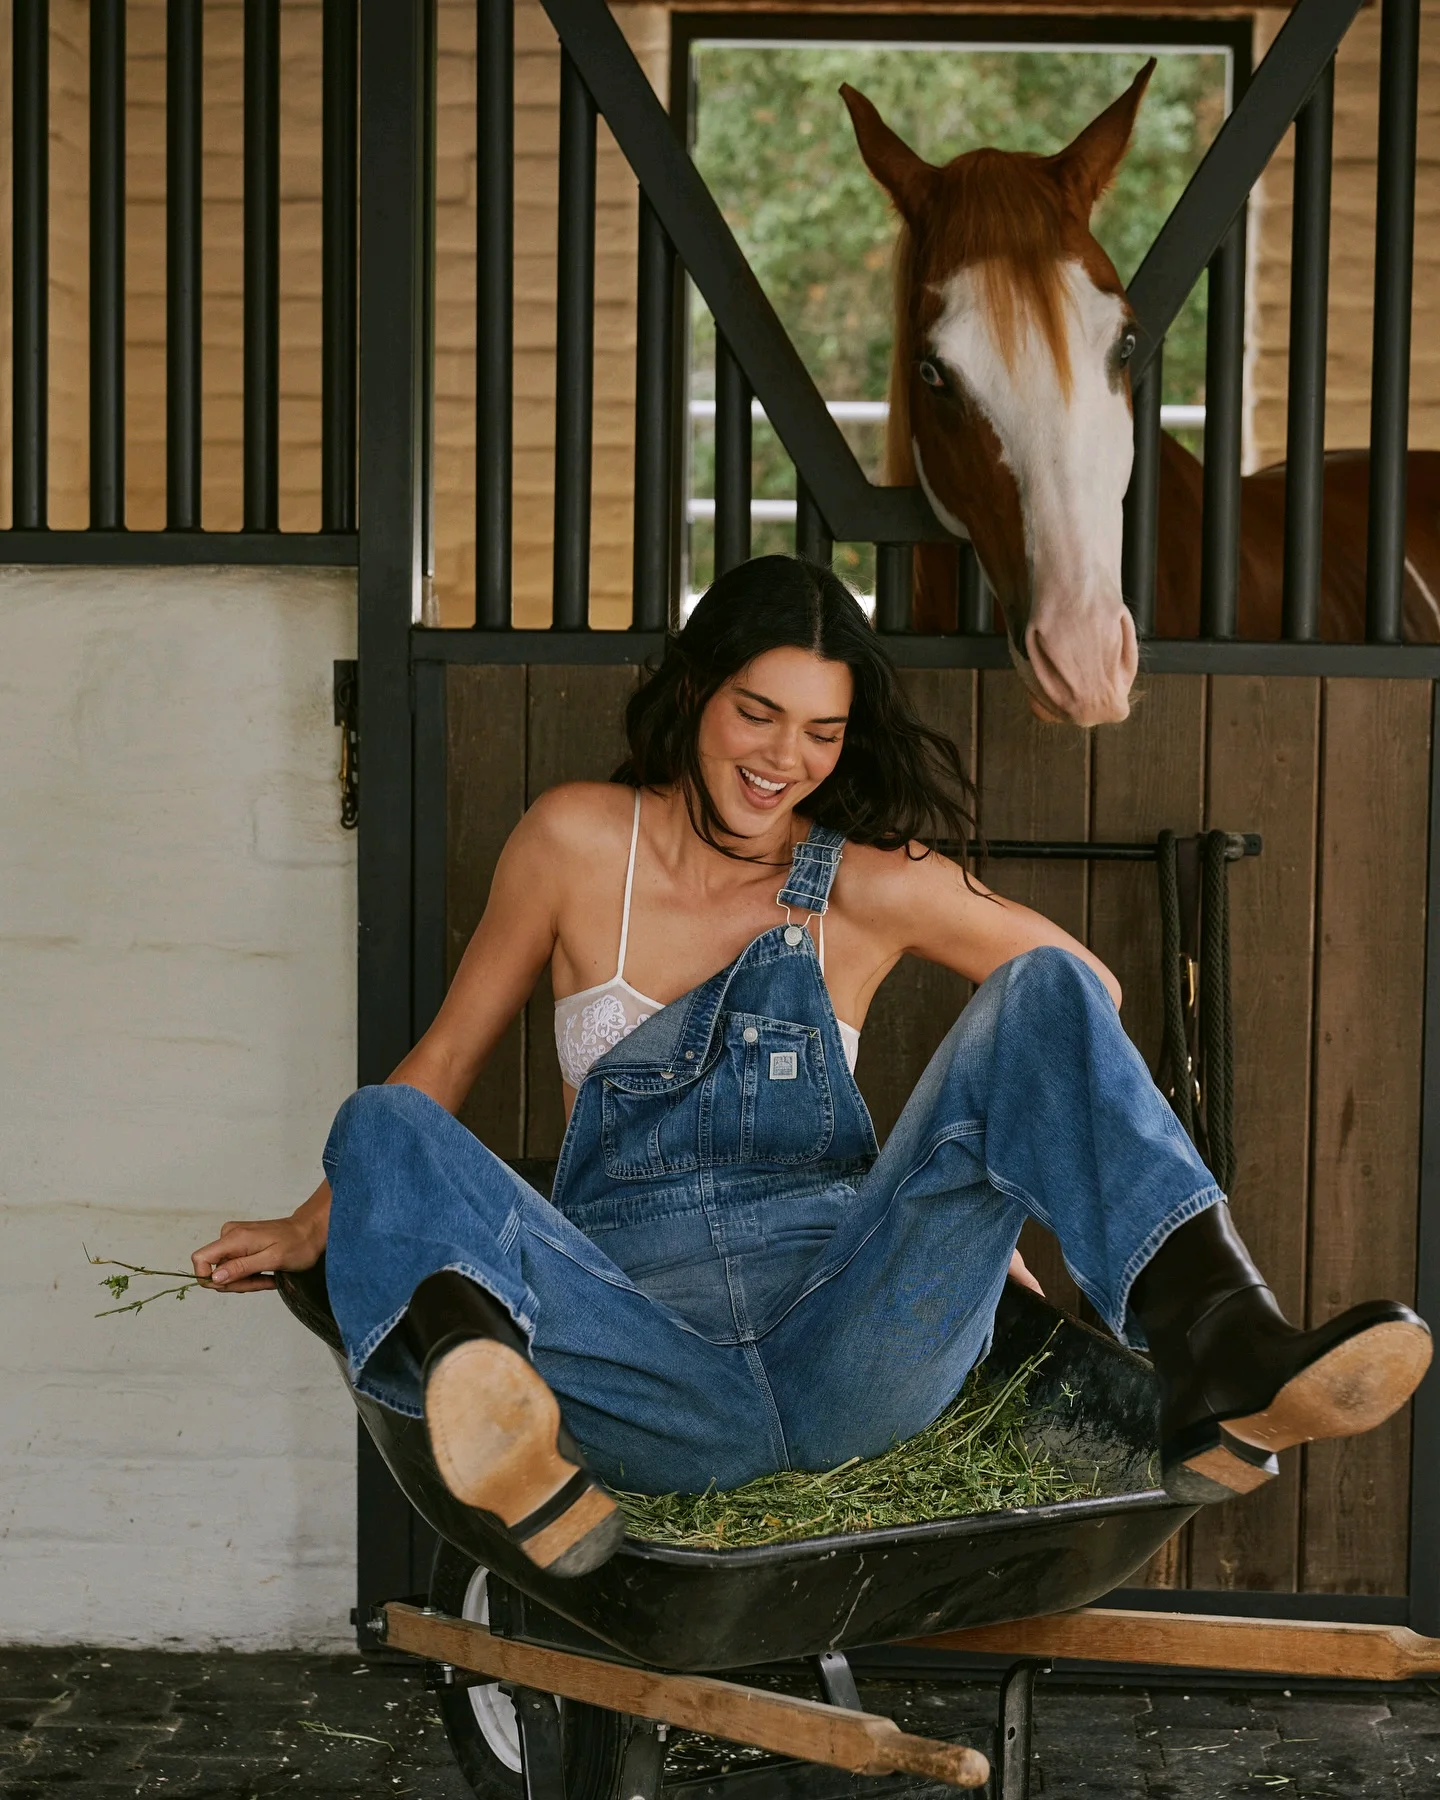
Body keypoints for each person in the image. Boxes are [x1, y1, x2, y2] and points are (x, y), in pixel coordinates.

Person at [193, 556, 1431, 1580]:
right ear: (691, 693)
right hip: (636, 1352)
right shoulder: (574, 840)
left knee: (1040, 988)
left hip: (854, 1338)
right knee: (383, 1122)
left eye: (823, 731)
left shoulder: (870, 880)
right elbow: (445, 1060)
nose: (786, 758)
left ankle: (1220, 1345)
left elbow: (1083, 999)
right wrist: (318, 1222)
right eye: (758, 712)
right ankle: (505, 1435)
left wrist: (988, 1185)